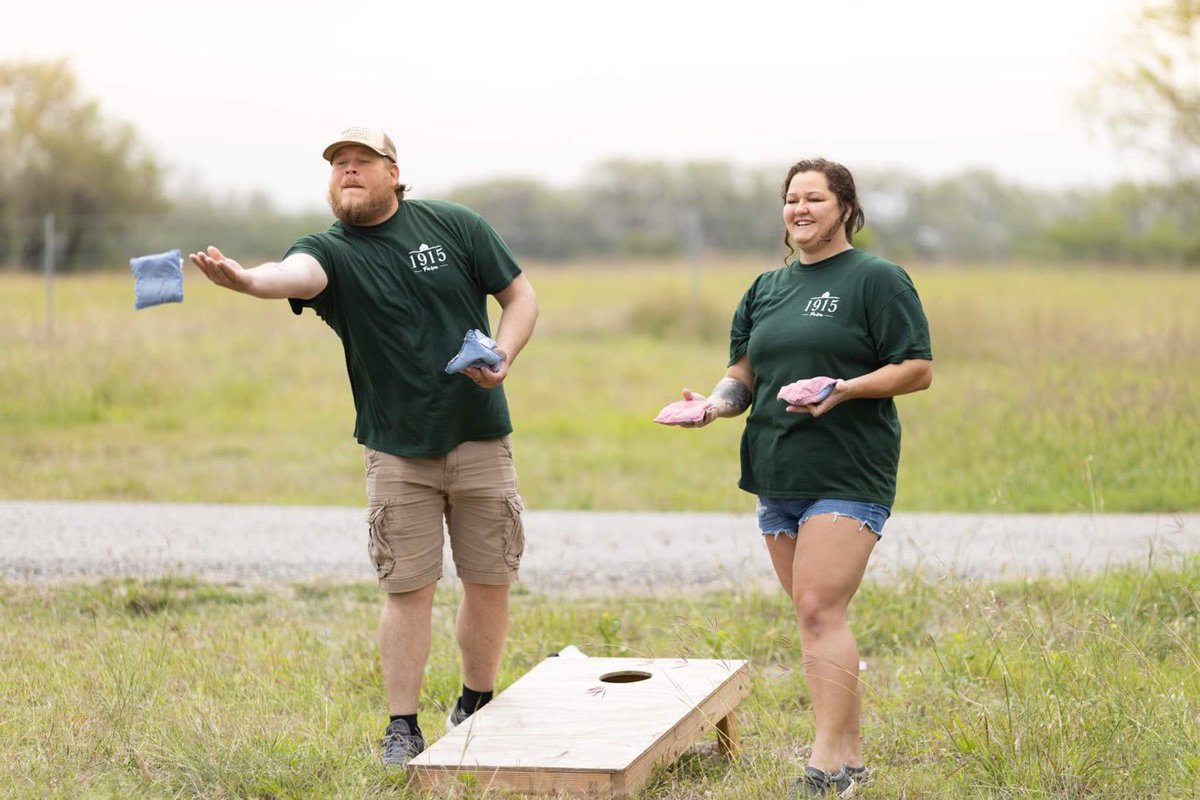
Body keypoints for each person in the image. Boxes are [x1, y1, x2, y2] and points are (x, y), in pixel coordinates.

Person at [188, 126, 538, 768]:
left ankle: (477, 704)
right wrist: (244, 279)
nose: (348, 172)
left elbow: (519, 295)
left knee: (490, 580)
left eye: (361, 163)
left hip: (481, 434)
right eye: (338, 166)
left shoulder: (456, 225)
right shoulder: (330, 251)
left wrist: (505, 352)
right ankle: (402, 728)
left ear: (394, 172)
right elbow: (291, 275)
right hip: (397, 451)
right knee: (408, 589)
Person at [664, 158, 932, 798]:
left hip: (847, 469)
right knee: (815, 617)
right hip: (775, 470)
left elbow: (917, 368)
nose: (800, 209)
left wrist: (844, 389)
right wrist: (714, 405)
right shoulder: (765, 287)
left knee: (817, 607)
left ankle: (825, 763)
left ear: (844, 207)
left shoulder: (878, 280)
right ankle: (851, 757)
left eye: (814, 198)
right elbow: (743, 374)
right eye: (791, 199)